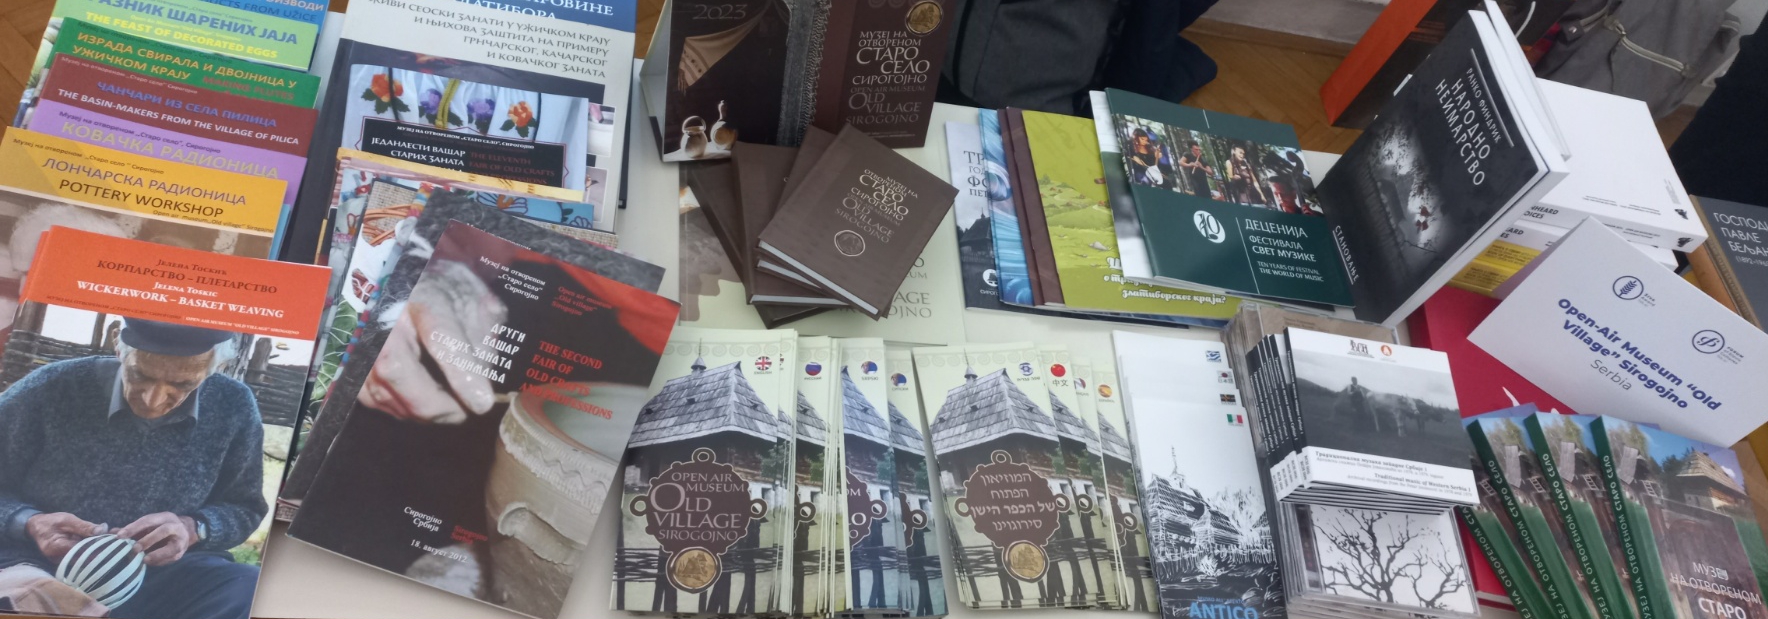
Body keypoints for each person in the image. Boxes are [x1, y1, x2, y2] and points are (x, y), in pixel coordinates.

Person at [0, 319, 265, 619]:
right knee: (42, 601)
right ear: (118, 344)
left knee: (249, 589)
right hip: (36, 562)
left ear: (215, 367)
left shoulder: (233, 405)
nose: (153, 400)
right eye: (141, 375)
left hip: (161, 573)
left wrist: (193, 527)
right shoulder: (52, 387)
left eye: (183, 384)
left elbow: (244, 508)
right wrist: (29, 522)